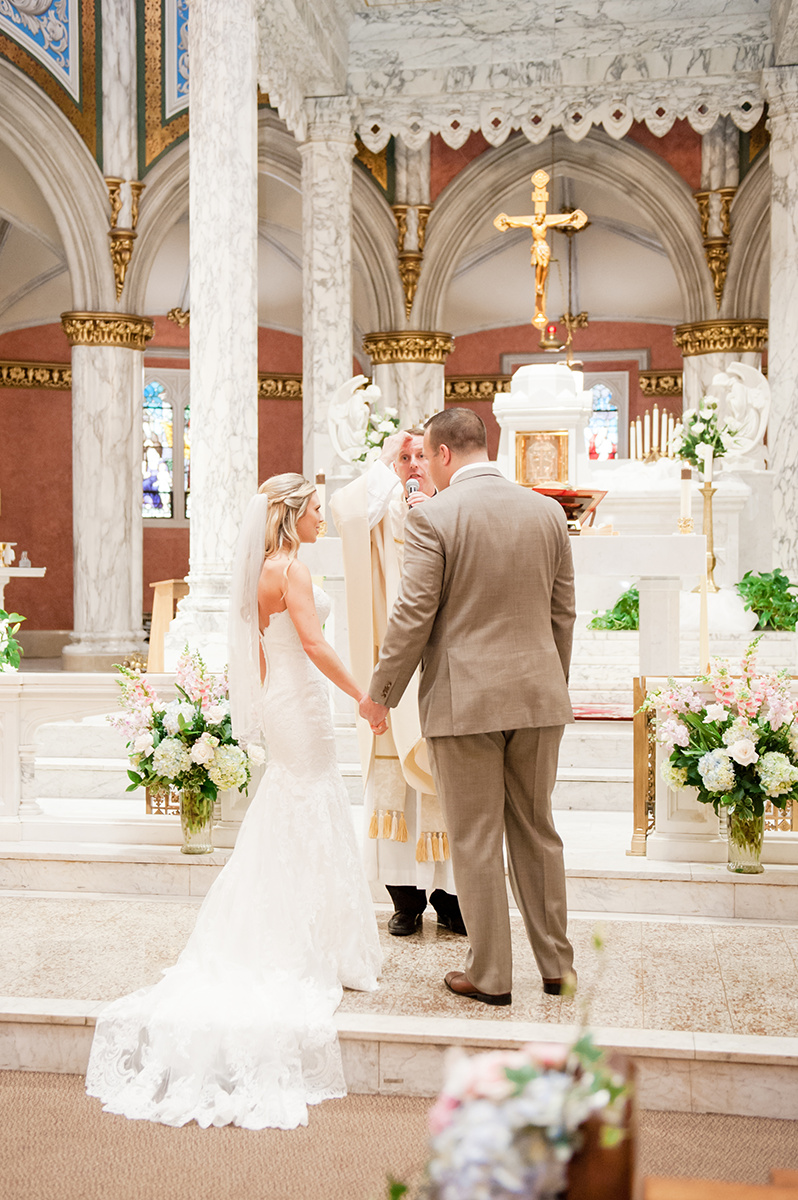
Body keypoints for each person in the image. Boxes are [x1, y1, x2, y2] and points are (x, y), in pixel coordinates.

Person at [86, 474, 382, 1129]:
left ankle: (309, 928)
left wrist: (286, 700)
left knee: (295, 806)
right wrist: (364, 696)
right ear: (292, 514)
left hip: (286, 701)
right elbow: (313, 643)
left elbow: (261, 653)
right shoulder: (292, 571)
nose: (320, 522)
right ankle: (311, 941)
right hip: (302, 702)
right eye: (314, 512)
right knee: (306, 805)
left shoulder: (262, 573)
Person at [360, 408, 576, 1006]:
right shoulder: (548, 512)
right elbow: (563, 615)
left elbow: (412, 617)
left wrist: (381, 696)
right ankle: (558, 968)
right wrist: (548, 682)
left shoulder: (434, 516)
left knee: (477, 836)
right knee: (538, 830)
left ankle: (491, 975)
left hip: (465, 701)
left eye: (424, 458)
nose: (423, 468)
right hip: (539, 696)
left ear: (444, 455)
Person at [332, 427, 464, 938]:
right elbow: (344, 510)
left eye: (420, 456)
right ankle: (404, 898)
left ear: (439, 460)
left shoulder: (453, 508)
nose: (413, 465)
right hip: (394, 668)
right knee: (394, 791)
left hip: (444, 669)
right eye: (403, 457)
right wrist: (386, 466)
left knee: (448, 784)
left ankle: (449, 898)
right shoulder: (384, 511)